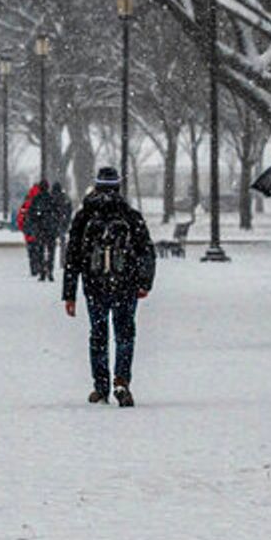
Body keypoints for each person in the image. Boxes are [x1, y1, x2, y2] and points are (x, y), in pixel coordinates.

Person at [62, 167, 156, 405]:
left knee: (98, 335)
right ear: (118, 187)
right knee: (125, 334)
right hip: (126, 284)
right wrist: (144, 283)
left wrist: (69, 294)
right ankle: (122, 381)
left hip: (94, 285)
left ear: (96, 186)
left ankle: (100, 386)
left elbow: (72, 256)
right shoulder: (129, 215)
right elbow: (147, 250)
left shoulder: (84, 216)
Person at [16, 181, 42, 278]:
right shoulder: (41, 201)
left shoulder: (27, 203)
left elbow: (20, 218)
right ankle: (40, 267)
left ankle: (33, 268)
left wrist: (23, 228)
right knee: (40, 250)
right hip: (40, 232)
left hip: (29, 233)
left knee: (31, 252)